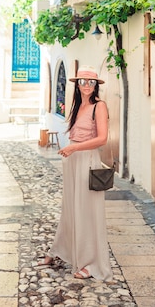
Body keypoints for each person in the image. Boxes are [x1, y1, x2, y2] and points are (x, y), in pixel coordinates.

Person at [39, 65, 113, 281]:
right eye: (83, 81)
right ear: (77, 84)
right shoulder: (78, 105)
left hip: (87, 160)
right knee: (71, 207)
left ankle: (91, 263)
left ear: (96, 85)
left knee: (87, 211)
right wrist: (71, 149)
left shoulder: (99, 106)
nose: (87, 85)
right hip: (73, 161)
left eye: (91, 82)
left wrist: (73, 148)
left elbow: (102, 139)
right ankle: (61, 250)